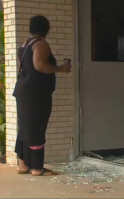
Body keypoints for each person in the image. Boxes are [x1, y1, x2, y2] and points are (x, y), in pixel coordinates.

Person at [13, 15, 71, 176]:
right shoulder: (41, 44)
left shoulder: (24, 44)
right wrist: (61, 68)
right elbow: (39, 65)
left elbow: (27, 66)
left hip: (23, 89)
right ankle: (37, 168)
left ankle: (23, 165)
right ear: (46, 29)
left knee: (25, 126)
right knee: (37, 126)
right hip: (36, 92)